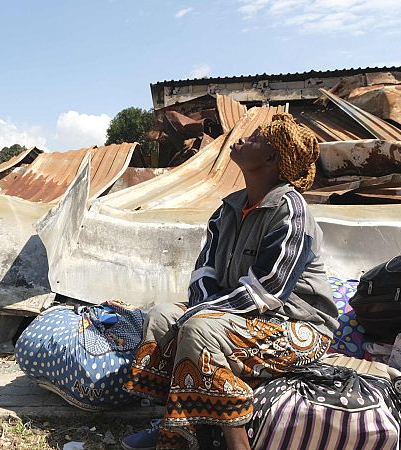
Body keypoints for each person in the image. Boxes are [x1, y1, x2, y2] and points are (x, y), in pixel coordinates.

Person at [121, 113, 339, 450]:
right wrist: (199, 309)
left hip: (299, 329)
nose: (242, 138)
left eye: (256, 138)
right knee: (162, 316)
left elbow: (267, 291)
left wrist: (201, 314)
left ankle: (236, 442)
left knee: (199, 327)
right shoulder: (228, 209)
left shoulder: (291, 212)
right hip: (242, 318)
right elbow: (202, 274)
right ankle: (174, 424)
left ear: (270, 158)